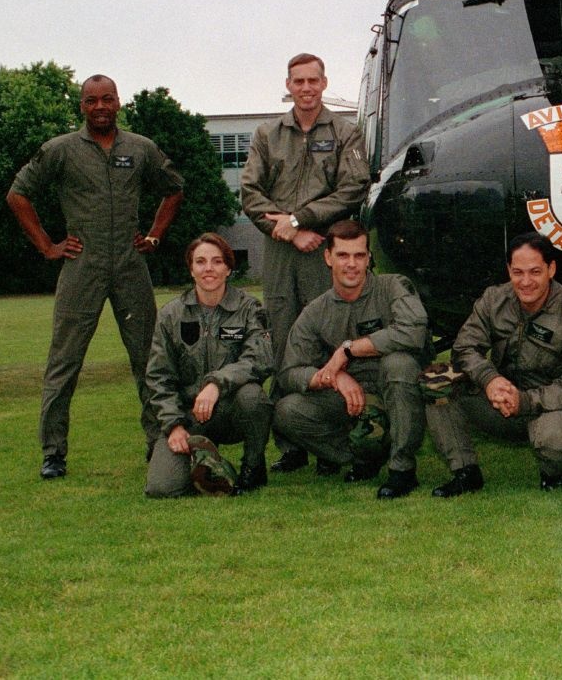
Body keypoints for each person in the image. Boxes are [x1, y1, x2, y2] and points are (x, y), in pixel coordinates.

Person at [6, 74, 184, 480]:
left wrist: (154, 236)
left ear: (119, 102)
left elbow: (174, 190)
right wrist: (47, 246)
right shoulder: (61, 150)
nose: (100, 106)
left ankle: (157, 442)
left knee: (149, 359)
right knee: (64, 362)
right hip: (81, 266)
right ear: (81, 106)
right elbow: (18, 194)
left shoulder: (141, 149)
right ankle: (53, 453)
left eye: (107, 99)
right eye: (91, 101)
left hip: (129, 265)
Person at [240, 53, 369, 474]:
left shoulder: (347, 132)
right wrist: (290, 231)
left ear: (325, 82)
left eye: (313, 80)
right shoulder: (267, 133)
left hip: (325, 248)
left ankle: (330, 435)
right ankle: (291, 442)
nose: (307, 88)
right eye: (299, 81)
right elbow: (250, 194)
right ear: (289, 85)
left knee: (327, 338)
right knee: (282, 337)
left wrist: (302, 219)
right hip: (280, 249)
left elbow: (353, 189)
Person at [427, 232, 562, 496]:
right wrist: (490, 380)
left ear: (551, 269)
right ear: (509, 270)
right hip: (497, 402)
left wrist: (526, 400)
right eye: (518, 272)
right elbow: (464, 348)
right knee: (433, 380)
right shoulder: (493, 300)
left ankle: (552, 470)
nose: (526, 282)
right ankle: (465, 471)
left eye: (535, 272)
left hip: (545, 407)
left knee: (556, 444)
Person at [270, 220, 431, 499]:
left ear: (369, 258)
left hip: (396, 390)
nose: (351, 264)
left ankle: (402, 469)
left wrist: (349, 349)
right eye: (343, 255)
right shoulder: (315, 311)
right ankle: (361, 457)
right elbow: (289, 371)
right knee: (286, 410)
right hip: (349, 400)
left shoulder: (393, 287)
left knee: (399, 363)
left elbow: (413, 332)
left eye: (359, 255)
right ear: (328, 258)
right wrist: (334, 378)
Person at [144, 233, 274, 497]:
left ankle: (253, 466)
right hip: (189, 415)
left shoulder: (249, 308)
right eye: (200, 262)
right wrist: (173, 425)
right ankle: (206, 459)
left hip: (231, 409)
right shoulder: (171, 315)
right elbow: (159, 377)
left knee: (253, 397)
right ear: (191, 269)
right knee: (162, 488)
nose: (209, 268)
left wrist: (216, 383)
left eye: (217, 261)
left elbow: (259, 358)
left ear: (228, 268)